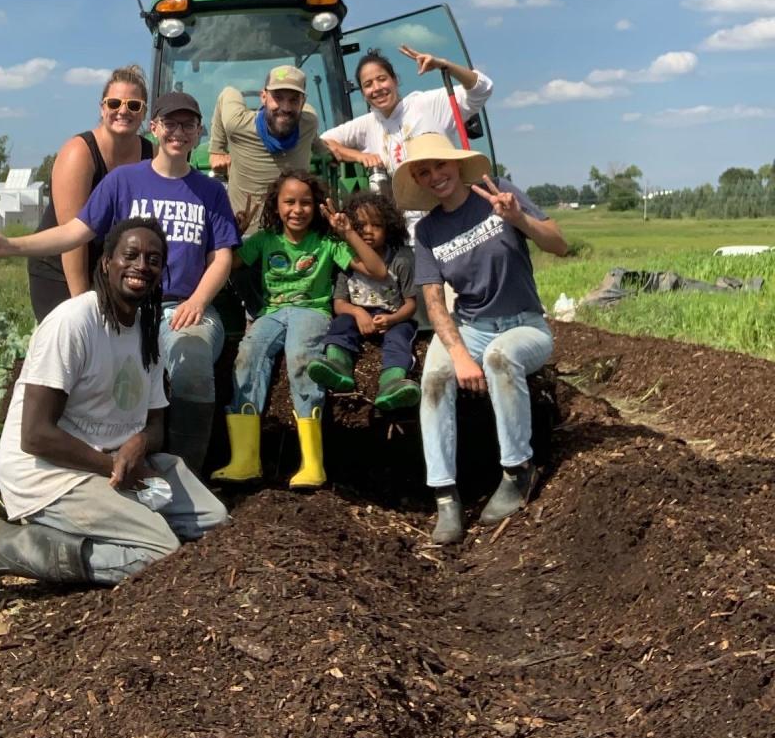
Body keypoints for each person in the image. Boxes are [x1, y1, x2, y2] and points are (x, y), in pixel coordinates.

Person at [0, 218, 228, 617]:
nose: (141, 266)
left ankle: (105, 529)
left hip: (111, 463)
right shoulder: (73, 322)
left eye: (153, 259)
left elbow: (155, 425)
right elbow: (35, 436)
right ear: (106, 263)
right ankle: (9, 546)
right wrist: (114, 466)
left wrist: (140, 444)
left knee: (214, 520)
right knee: (162, 554)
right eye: (130, 255)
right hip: (47, 472)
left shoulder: (146, 327)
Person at [0, 92, 240, 475]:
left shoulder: (211, 192)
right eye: (171, 124)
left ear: (199, 133)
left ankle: (186, 473)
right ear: (155, 127)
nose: (179, 133)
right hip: (127, 309)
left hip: (183, 307)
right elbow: (76, 232)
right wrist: (11, 246)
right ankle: (98, 461)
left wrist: (197, 301)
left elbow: (222, 257)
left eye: (188, 125)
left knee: (191, 363)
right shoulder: (123, 182)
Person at [391, 133, 568, 546]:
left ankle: (517, 471)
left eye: (441, 166)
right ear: (418, 180)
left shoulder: (497, 192)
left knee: (501, 356)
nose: (435, 176)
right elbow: (434, 303)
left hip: (524, 324)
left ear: (457, 165)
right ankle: (445, 496)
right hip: (469, 327)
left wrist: (518, 219)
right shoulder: (430, 231)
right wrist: (457, 355)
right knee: (434, 378)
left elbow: (559, 244)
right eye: (424, 172)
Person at [211, 170, 387, 490]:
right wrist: (233, 232)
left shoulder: (327, 243)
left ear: (317, 206)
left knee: (301, 358)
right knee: (248, 357)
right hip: (272, 313)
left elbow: (377, 270)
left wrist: (348, 232)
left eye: (306, 202)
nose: (297, 209)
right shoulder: (265, 241)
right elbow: (229, 263)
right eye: (289, 201)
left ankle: (312, 463)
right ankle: (245, 461)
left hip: (312, 311)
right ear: (276, 206)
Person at [28, 64, 153, 323]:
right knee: (75, 347)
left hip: (113, 273)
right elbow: (72, 238)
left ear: (144, 113)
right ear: (102, 108)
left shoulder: (152, 155)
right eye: (115, 103)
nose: (123, 111)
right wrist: (82, 306)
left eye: (133, 105)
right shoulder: (79, 154)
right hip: (62, 271)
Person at [305, 191, 420, 411]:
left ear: (389, 228)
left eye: (376, 225)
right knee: (341, 324)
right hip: (358, 315)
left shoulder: (401, 261)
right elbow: (339, 304)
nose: (368, 231)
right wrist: (358, 313)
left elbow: (411, 304)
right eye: (360, 226)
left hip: (393, 318)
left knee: (399, 338)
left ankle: (392, 383)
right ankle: (338, 368)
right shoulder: (347, 262)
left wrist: (392, 319)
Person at [321, 45, 493, 175]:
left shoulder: (426, 104)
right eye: (368, 84)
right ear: (363, 94)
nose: (377, 88)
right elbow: (323, 142)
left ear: (395, 80)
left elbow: (482, 88)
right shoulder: (368, 124)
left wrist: (444, 65)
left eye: (382, 79)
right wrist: (359, 156)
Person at [208, 65, 326, 235]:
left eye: (293, 100)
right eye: (277, 98)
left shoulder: (309, 123)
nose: (285, 107)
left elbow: (316, 140)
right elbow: (228, 92)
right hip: (244, 235)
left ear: (303, 103)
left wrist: (326, 151)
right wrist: (217, 149)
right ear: (263, 97)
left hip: (294, 238)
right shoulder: (237, 123)